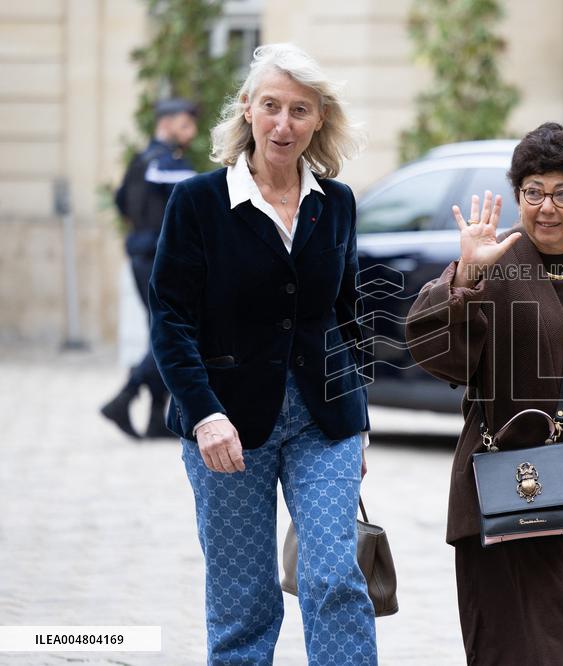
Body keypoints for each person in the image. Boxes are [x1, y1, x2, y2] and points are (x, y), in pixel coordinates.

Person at [148, 43, 376, 664]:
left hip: (323, 422)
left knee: (333, 577)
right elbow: (169, 320)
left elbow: (347, 316)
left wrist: (360, 424)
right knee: (243, 602)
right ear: (247, 109)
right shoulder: (197, 203)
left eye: (299, 110)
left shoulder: (339, 203)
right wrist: (203, 413)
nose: (283, 124)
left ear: (318, 119)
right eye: (270, 106)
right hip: (224, 427)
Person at [405, 122, 563, 665]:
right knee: (545, 649)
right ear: (518, 195)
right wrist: (466, 273)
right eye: (533, 191)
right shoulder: (497, 261)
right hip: (517, 488)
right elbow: (433, 351)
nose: (547, 206)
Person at [101, 98, 198, 439]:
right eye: (187, 124)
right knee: (173, 332)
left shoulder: (139, 160)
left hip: (141, 256)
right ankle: (125, 396)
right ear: (168, 123)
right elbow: (196, 201)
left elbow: (121, 201)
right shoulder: (168, 163)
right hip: (160, 258)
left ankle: (157, 417)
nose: (192, 132)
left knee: (162, 329)